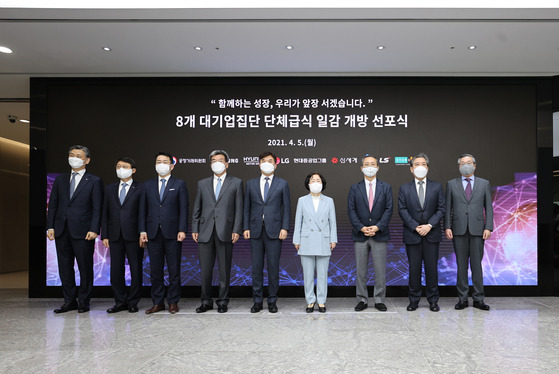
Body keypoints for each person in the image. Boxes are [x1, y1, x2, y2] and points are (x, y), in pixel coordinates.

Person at [47, 145, 104, 313]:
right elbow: (54, 204)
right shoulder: (61, 180)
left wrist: (94, 229)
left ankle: (84, 301)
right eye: (71, 155)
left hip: (84, 231)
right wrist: (50, 226)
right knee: (64, 266)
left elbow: (97, 208)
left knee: (85, 267)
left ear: (87, 160)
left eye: (78, 155)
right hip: (61, 229)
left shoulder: (94, 181)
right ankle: (69, 300)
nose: (74, 158)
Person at [192, 150, 244, 314]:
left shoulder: (236, 182)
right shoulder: (202, 183)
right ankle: (205, 301)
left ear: (227, 163)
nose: (217, 163)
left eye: (220, 160)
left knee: (224, 269)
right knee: (205, 270)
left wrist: (236, 229)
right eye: (214, 160)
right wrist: (195, 228)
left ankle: (222, 301)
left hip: (226, 231)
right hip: (205, 230)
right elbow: (197, 207)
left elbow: (239, 209)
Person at [140, 152, 189, 314]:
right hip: (153, 233)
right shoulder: (147, 185)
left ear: (171, 165)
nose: (161, 164)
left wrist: (182, 229)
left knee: (174, 270)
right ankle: (158, 302)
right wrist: (142, 231)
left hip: (173, 233)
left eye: (164, 162)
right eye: (158, 161)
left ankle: (173, 302)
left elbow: (184, 209)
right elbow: (143, 210)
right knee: (155, 270)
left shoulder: (179, 184)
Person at [445, 153, 493, 311]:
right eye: (463, 163)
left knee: (477, 266)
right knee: (461, 265)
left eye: (469, 162)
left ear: (475, 165)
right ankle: (463, 299)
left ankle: (479, 298)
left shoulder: (484, 183)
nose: (466, 165)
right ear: (459, 166)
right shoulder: (451, 184)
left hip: (478, 230)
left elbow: (489, 208)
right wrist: (447, 226)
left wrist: (488, 227)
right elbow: (448, 208)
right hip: (458, 230)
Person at [243, 151, 290, 313]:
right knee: (256, 268)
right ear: (259, 164)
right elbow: (246, 208)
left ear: (275, 164)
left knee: (273, 267)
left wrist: (284, 228)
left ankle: (272, 301)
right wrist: (245, 227)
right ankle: (257, 301)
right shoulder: (250, 184)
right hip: (255, 230)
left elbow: (286, 208)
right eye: (263, 161)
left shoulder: (282, 184)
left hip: (275, 231)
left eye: (270, 161)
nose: (266, 163)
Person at [398, 153, 445, 312]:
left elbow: (441, 209)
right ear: (411, 169)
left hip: (432, 234)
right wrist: (416, 226)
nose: (420, 167)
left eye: (423, 164)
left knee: (432, 269)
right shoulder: (404, 188)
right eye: (416, 164)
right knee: (414, 269)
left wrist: (429, 225)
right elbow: (402, 210)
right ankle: (414, 300)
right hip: (413, 235)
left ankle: (433, 300)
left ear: (427, 168)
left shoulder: (437, 186)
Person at [347, 154, 393, 312]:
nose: (370, 166)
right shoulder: (355, 187)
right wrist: (360, 227)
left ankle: (379, 299)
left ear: (378, 167)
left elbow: (389, 209)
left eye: (373, 164)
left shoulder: (386, 187)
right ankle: (362, 299)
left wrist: (378, 227)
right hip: (360, 235)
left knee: (380, 270)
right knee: (361, 270)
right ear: (361, 168)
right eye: (366, 164)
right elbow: (351, 210)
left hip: (379, 234)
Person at [101, 157, 144, 314]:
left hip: (134, 235)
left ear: (133, 170)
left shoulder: (141, 188)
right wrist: (104, 234)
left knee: (135, 270)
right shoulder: (110, 188)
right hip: (114, 235)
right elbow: (104, 213)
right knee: (115, 270)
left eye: (125, 166)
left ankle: (133, 302)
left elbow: (143, 213)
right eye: (118, 166)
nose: (121, 169)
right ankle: (120, 301)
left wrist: (142, 233)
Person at [293, 173, 337, 313]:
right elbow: (298, 221)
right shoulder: (302, 200)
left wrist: (333, 239)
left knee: (323, 274)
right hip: (306, 240)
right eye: (313, 180)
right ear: (308, 183)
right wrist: (296, 239)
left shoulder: (329, 201)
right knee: (308, 274)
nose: (316, 182)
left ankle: (322, 301)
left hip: (324, 240)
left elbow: (332, 222)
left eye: (318, 180)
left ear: (322, 183)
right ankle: (310, 301)